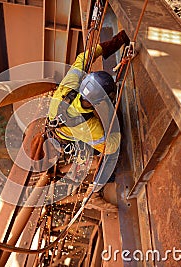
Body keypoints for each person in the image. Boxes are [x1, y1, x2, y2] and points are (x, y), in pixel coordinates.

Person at [46, 30, 130, 193]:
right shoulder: (87, 127)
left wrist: (116, 41)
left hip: (54, 119)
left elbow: (82, 59)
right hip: (66, 138)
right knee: (112, 154)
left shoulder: (69, 86)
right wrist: (114, 119)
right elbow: (111, 147)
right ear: (98, 102)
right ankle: (103, 181)